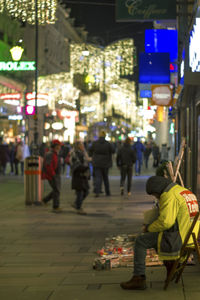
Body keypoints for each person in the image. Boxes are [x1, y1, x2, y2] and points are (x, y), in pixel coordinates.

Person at [120, 176, 199, 290]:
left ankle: (139, 278)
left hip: (179, 238)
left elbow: (166, 222)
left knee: (141, 241)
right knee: (156, 239)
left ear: (158, 190)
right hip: (191, 236)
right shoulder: (185, 191)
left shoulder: (169, 195)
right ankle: (170, 265)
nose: (156, 197)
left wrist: (149, 228)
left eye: (155, 194)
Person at [89, 130, 115, 197]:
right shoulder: (108, 143)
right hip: (106, 163)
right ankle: (107, 192)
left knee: (98, 178)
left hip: (97, 163)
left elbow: (90, 150)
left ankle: (97, 192)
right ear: (105, 136)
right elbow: (113, 151)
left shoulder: (95, 143)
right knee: (105, 178)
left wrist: (93, 156)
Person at [42, 139, 63, 213]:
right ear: (55, 146)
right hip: (52, 175)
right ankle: (55, 206)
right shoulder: (50, 154)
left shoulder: (56, 153)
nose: (60, 147)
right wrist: (53, 174)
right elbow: (48, 166)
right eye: (59, 145)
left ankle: (45, 200)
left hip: (56, 174)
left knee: (56, 189)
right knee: (56, 190)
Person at [70, 141, 91, 215]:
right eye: (81, 145)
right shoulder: (76, 154)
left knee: (86, 191)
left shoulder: (82, 153)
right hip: (78, 175)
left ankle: (76, 204)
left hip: (83, 175)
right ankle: (79, 208)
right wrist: (85, 168)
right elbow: (77, 165)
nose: (83, 147)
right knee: (80, 192)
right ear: (78, 146)